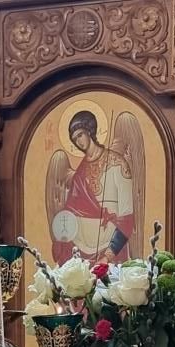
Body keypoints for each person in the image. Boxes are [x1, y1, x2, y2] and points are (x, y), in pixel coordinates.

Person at [51, 110, 134, 264]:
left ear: (89, 131)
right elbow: (70, 212)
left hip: (109, 250)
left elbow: (126, 218)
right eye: (75, 139)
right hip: (80, 250)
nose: (78, 142)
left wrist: (107, 256)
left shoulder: (118, 164)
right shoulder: (79, 173)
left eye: (80, 135)